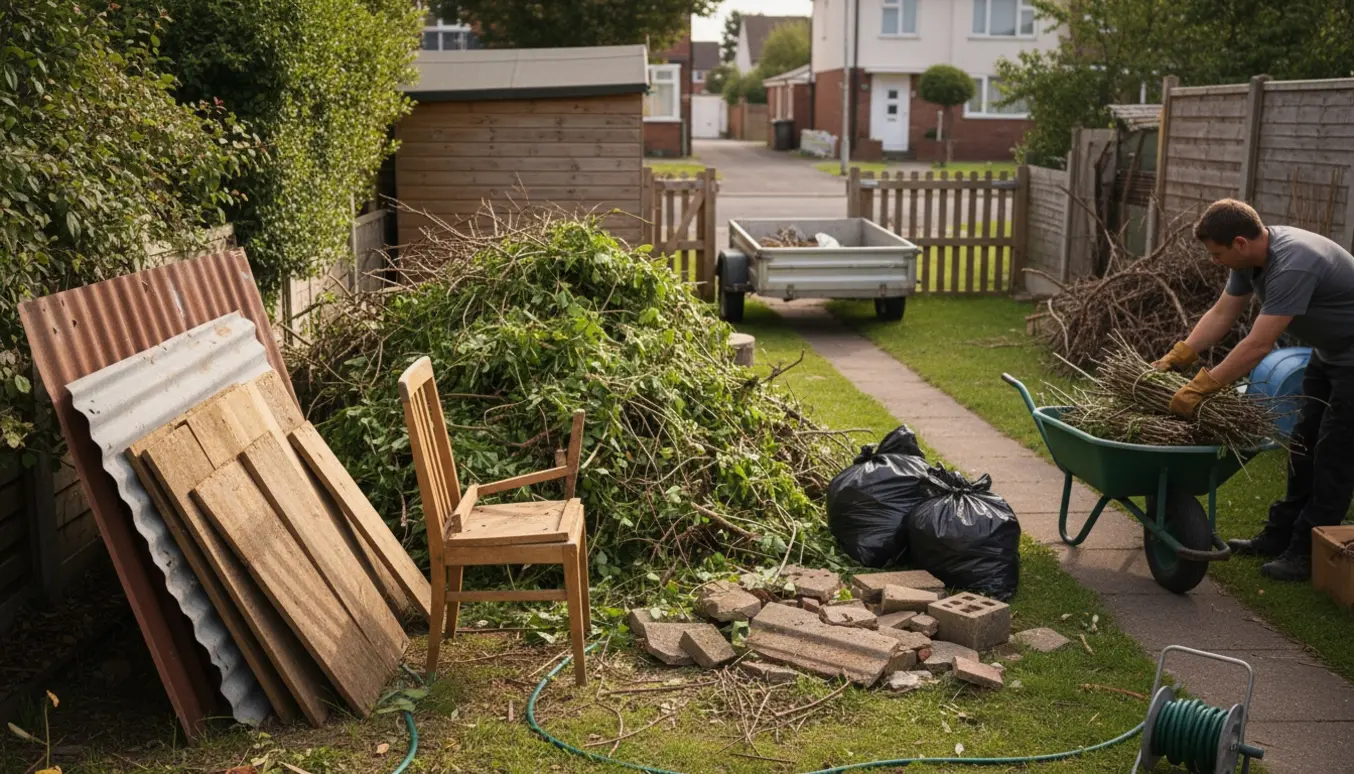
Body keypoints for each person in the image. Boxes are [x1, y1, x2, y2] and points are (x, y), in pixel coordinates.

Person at [1151, 198, 1354, 581]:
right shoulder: (1250, 261)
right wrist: (1180, 355)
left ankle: (1306, 553)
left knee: (1335, 455)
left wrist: (1200, 388)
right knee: (1303, 445)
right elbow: (1222, 313)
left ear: (1240, 243)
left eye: (1217, 254)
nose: (1216, 262)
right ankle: (1280, 535)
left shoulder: (1292, 264)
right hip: (1330, 354)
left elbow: (1259, 345)